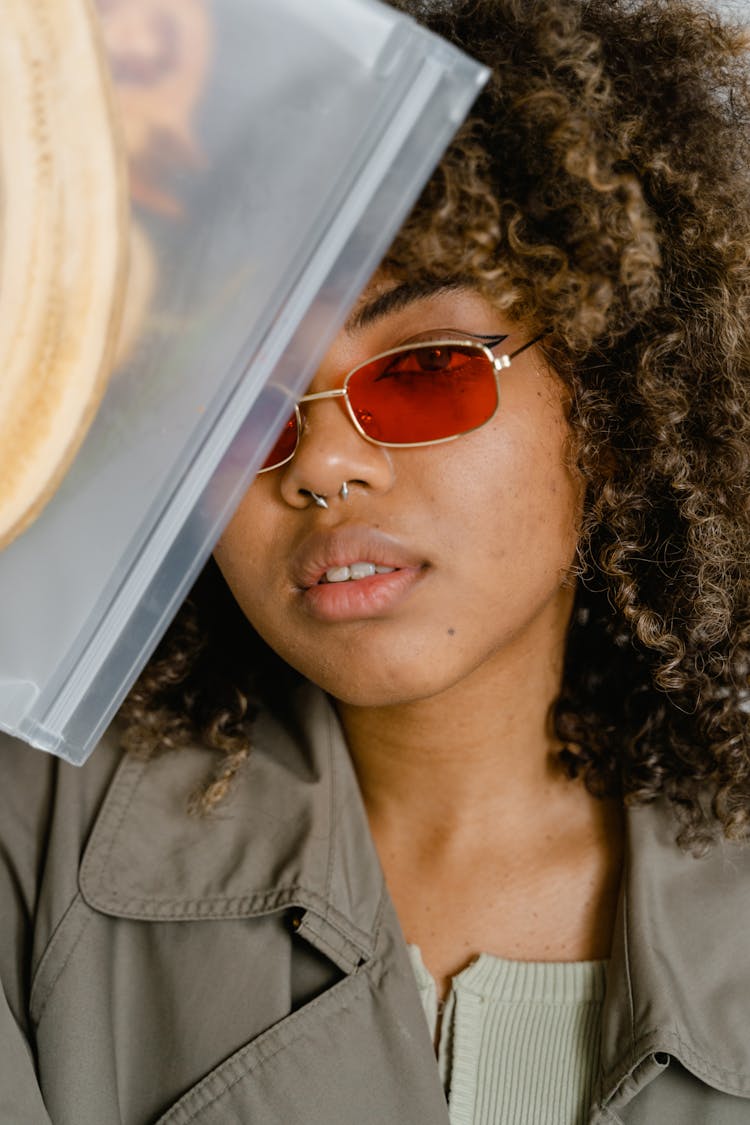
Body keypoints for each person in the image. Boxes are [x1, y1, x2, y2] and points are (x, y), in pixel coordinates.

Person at [2, 0, 750, 1121]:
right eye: (241, 412)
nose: (323, 469)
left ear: (610, 386)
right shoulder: (26, 846)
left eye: (425, 370)